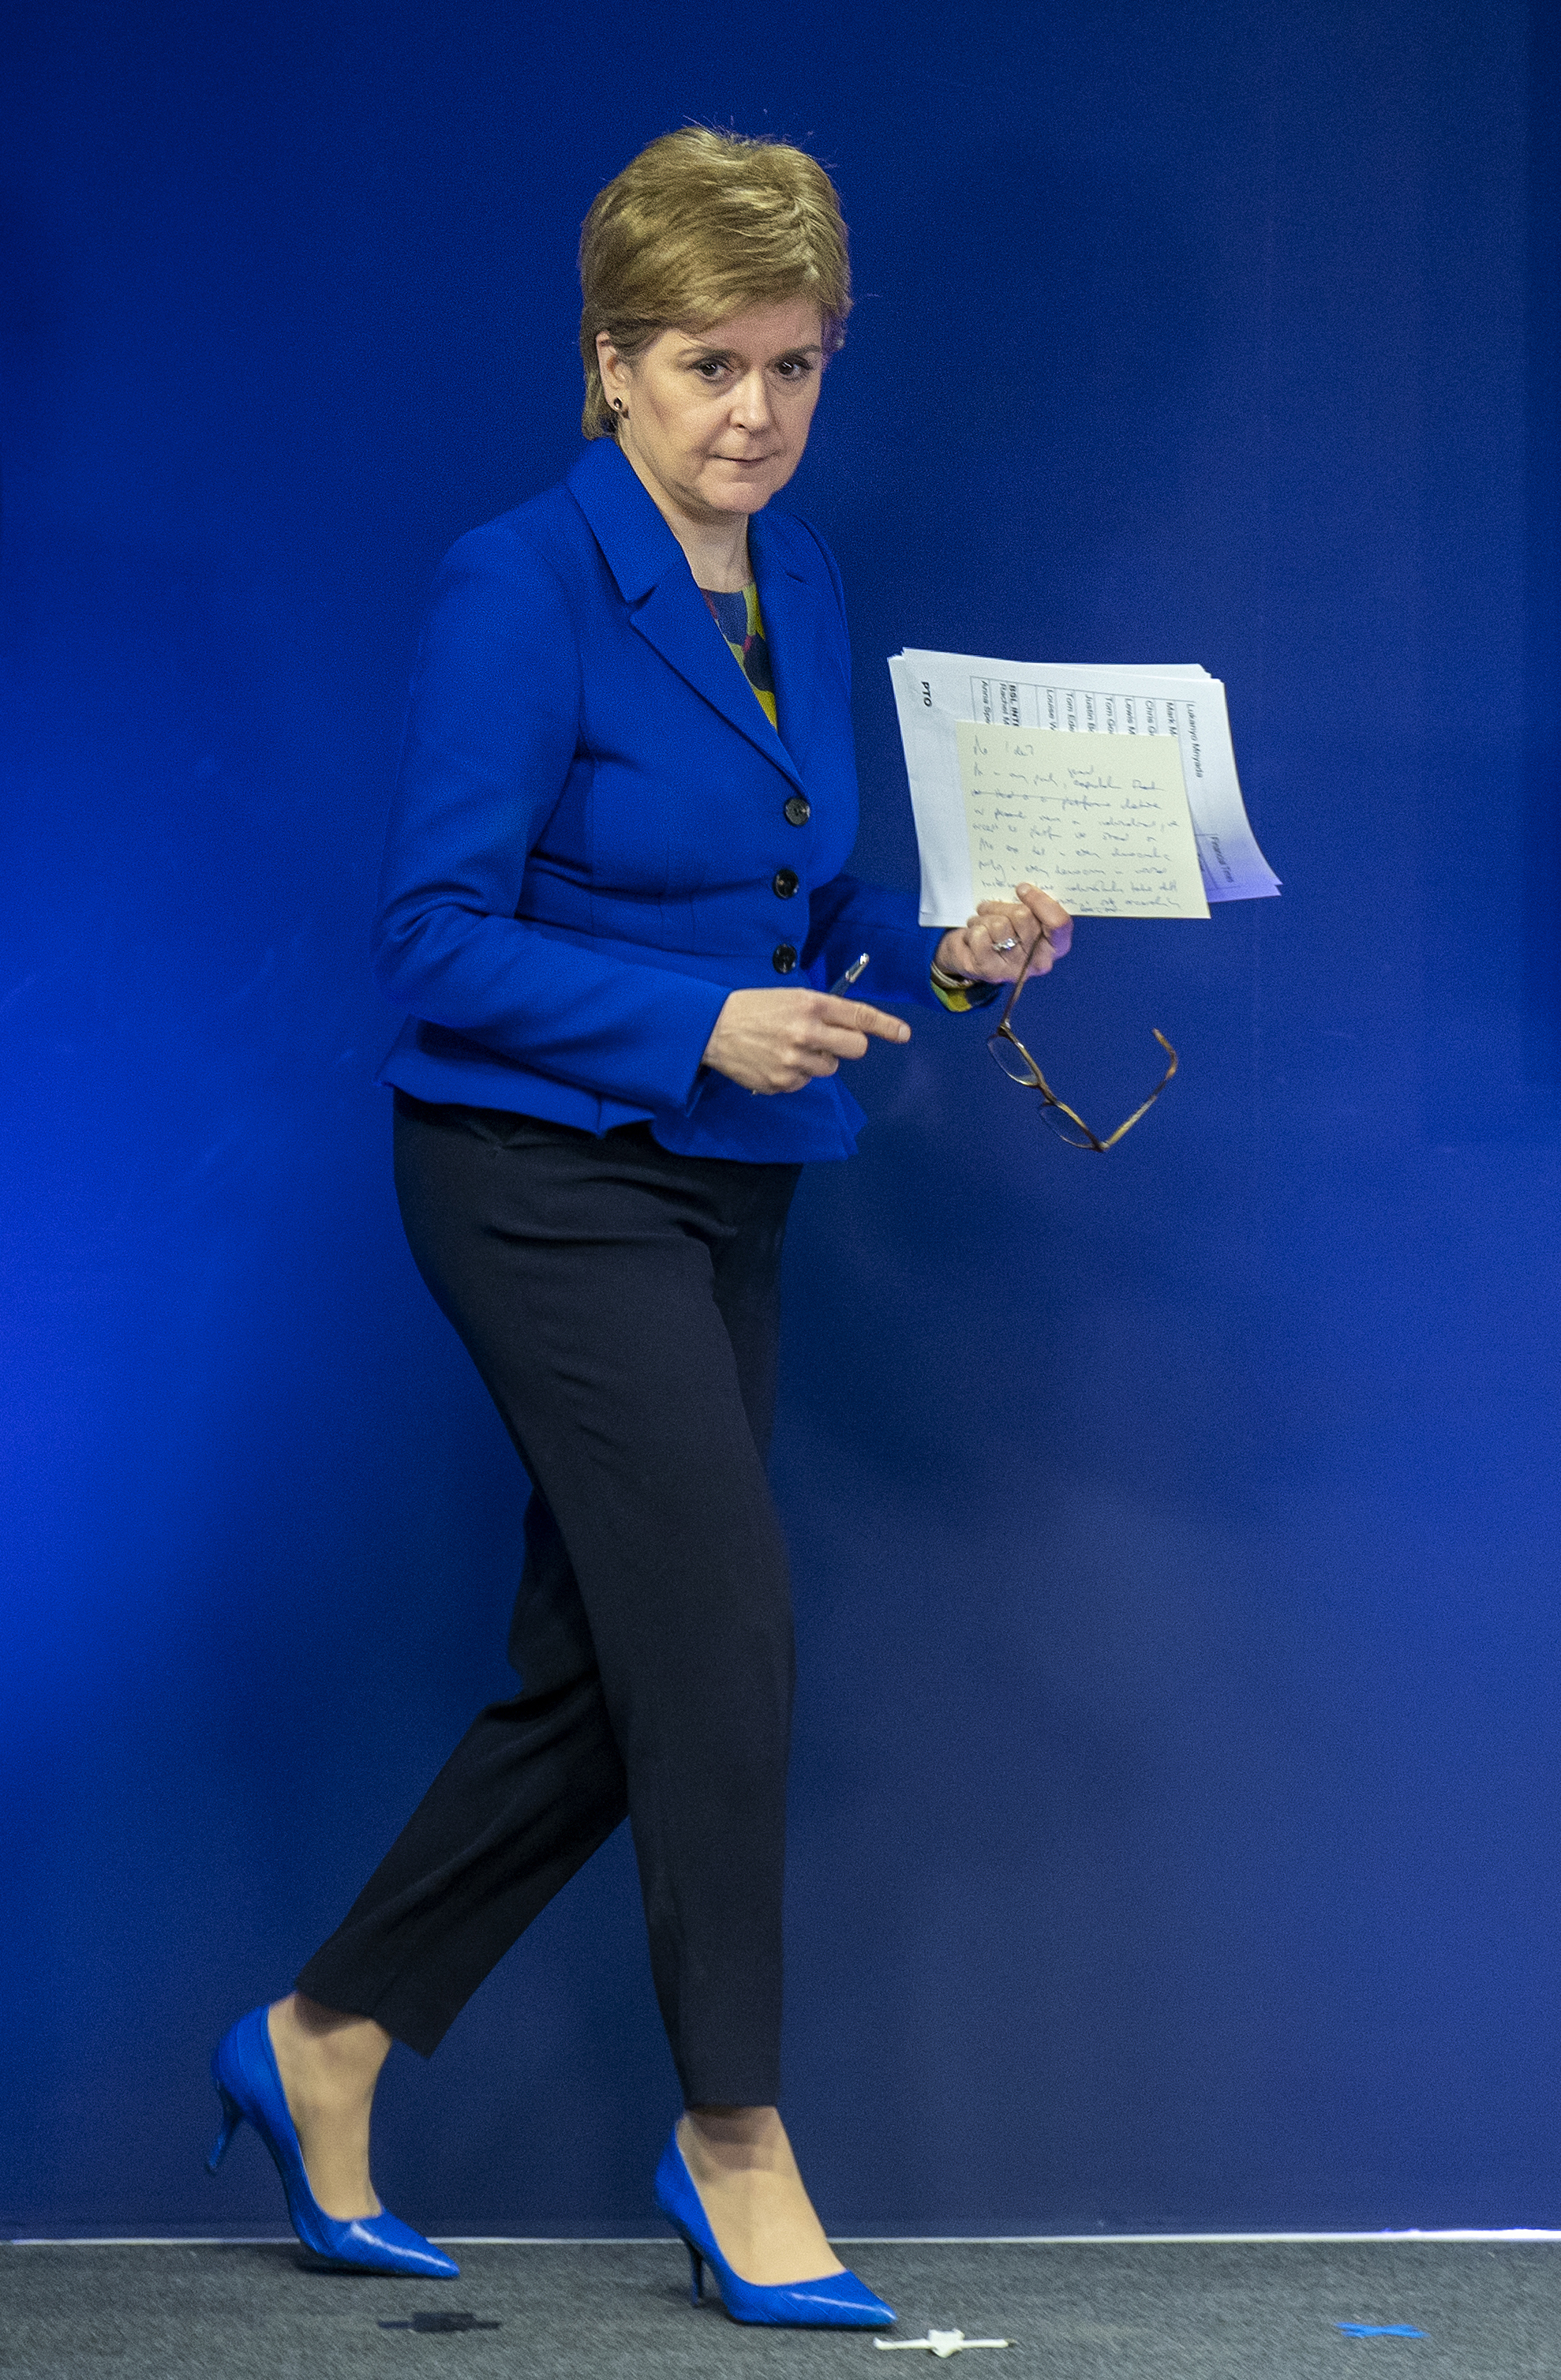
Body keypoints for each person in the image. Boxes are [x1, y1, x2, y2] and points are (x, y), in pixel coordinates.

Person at [206, 126, 1072, 2328]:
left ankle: (321, 2042)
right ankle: (733, 2142)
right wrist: (697, 1015)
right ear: (610, 365)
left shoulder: (805, 580)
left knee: (613, 1665)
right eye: (708, 365)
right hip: (532, 1172)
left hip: (729, 1186)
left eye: (793, 369)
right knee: (728, 1639)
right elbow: (431, 936)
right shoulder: (518, 580)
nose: (754, 415)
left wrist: (954, 953)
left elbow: (814, 910)